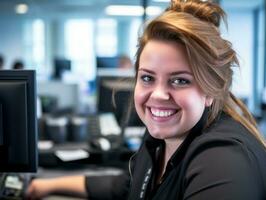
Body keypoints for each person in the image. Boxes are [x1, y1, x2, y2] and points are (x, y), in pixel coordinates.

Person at [26, 0, 266, 199]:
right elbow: (130, 186)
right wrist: (47, 185)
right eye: (148, 78)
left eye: (180, 80)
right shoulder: (160, 139)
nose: (158, 95)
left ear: (211, 92)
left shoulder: (222, 161)